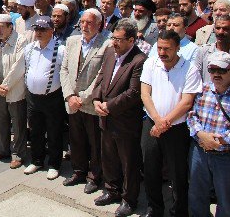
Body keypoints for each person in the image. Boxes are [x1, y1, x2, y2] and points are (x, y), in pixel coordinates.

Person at [140, 30, 202, 217]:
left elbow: (187, 102)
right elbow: (145, 94)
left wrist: (164, 122)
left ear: (177, 48)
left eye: (167, 49)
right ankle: (154, 209)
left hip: (177, 129)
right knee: (150, 170)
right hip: (151, 123)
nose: (161, 52)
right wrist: (158, 121)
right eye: (159, 48)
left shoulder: (189, 68)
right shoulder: (151, 63)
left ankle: (179, 211)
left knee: (178, 174)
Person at [92, 19, 146, 216]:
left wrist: (109, 106)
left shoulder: (139, 60)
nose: (114, 42)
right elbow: (101, 78)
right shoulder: (109, 53)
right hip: (105, 117)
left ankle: (129, 199)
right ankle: (111, 190)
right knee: (109, 158)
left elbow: (133, 93)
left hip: (125, 121)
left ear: (131, 40)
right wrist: (97, 99)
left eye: (119, 39)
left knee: (128, 162)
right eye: (113, 37)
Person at [60, 9, 111, 194]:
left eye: (89, 23)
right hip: (72, 102)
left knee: (95, 143)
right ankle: (79, 171)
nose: (84, 26)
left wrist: (82, 97)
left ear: (99, 24)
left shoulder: (107, 45)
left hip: (90, 103)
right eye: (82, 22)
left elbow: (101, 75)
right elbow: (64, 69)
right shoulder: (72, 41)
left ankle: (94, 176)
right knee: (76, 140)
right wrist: (69, 96)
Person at [22, 16, 66, 181]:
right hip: (33, 97)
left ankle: (54, 164)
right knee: (35, 131)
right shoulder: (30, 48)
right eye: (36, 30)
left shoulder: (59, 50)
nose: (38, 33)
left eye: (42, 30)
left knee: (54, 132)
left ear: (51, 31)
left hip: (52, 98)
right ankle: (37, 160)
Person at [187, 51, 230, 217]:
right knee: (197, 194)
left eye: (222, 70)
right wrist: (201, 134)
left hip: (225, 155)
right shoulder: (203, 89)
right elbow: (191, 115)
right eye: (212, 70)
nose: (216, 74)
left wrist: (221, 140)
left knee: (225, 198)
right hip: (200, 151)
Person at [0, 13, 27, 167]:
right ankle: (2, 149)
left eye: (1, 27)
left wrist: (6, 85)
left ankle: (18, 154)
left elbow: (19, 66)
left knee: (18, 124)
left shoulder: (21, 40)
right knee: (0, 121)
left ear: (10, 27)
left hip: (14, 90)